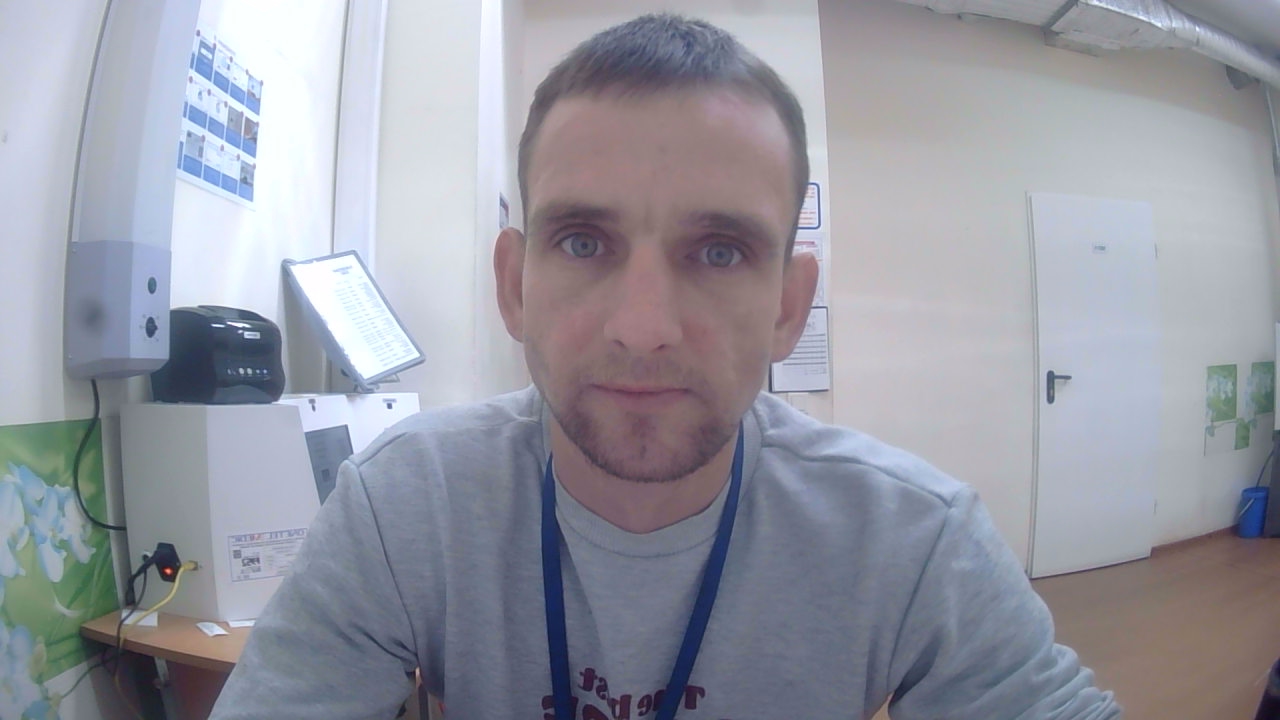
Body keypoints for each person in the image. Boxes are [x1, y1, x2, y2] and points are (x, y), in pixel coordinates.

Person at [211, 14, 1120, 719]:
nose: (644, 329)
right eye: (582, 240)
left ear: (788, 307)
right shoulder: (403, 506)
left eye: (719, 252)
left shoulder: (913, 541)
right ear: (514, 285)